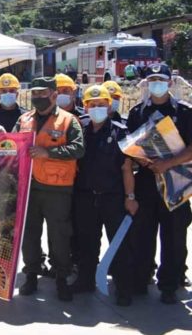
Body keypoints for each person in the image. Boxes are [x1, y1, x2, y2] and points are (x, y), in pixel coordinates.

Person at [126, 63, 192, 304]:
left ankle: (169, 284)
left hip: (176, 182)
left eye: (161, 80)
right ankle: (141, 278)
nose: (157, 84)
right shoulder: (137, 112)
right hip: (146, 182)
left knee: (174, 237)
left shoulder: (185, 112)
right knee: (142, 234)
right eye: (152, 80)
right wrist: (143, 161)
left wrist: (168, 163)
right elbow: (130, 147)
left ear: (170, 82)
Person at [15, 77, 85, 302]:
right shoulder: (24, 119)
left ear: (54, 95)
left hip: (57, 189)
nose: (38, 98)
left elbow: (79, 149)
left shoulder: (68, 120)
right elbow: (10, 145)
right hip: (29, 188)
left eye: (43, 93)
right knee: (30, 235)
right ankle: (32, 275)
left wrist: (49, 152)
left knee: (59, 235)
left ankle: (61, 278)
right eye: (34, 93)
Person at [70, 85, 135, 307]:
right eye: (92, 105)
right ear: (86, 107)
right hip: (86, 196)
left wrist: (131, 197)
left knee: (118, 244)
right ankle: (86, 281)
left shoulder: (120, 131)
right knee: (87, 243)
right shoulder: (80, 128)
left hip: (113, 198)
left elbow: (127, 168)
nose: (97, 108)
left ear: (109, 107)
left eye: (102, 105)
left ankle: (124, 287)